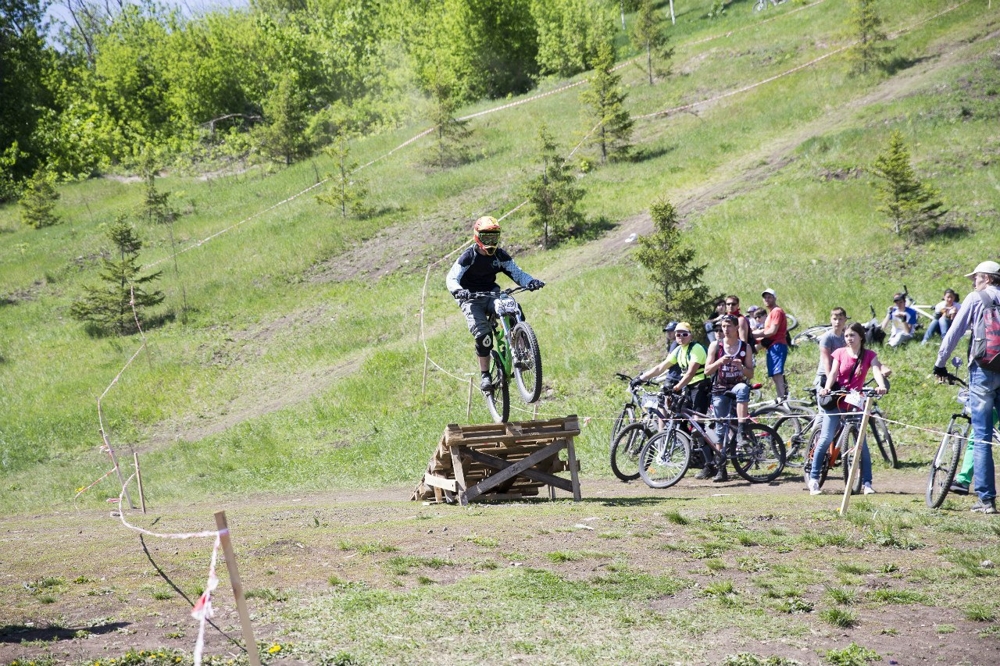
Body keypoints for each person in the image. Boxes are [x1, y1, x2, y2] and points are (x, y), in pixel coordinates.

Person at [446, 216, 544, 391]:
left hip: (492, 293)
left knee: (513, 308)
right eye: (486, 237)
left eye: (494, 237)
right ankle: (485, 375)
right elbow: (451, 278)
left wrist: (531, 281)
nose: (490, 242)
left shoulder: (500, 255)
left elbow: (518, 274)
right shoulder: (469, 257)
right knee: (484, 336)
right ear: (477, 237)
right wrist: (458, 290)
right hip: (470, 299)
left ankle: (523, 350)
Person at [933, 260, 1000, 514]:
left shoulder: (976, 298)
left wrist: (940, 364)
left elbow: (954, 333)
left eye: (976, 277)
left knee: (982, 436)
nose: (973, 281)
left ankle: (986, 499)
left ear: (987, 277)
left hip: (983, 370)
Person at [808, 322, 889, 496]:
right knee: (826, 437)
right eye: (846, 336)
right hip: (837, 400)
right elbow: (833, 374)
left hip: (856, 402)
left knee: (862, 445)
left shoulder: (869, 355)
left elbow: (876, 370)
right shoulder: (839, 353)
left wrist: (881, 385)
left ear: (861, 337)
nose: (849, 339)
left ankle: (867, 483)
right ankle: (814, 479)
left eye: (852, 335)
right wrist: (827, 388)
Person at [634, 322, 715, 478]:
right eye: (678, 334)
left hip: (700, 388)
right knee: (679, 421)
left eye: (684, 334)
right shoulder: (679, 350)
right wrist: (641, 378)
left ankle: (710, 464)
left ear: (691, 335)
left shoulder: (696, 349)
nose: (680, 337)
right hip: (688, 389)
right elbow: (661, 367)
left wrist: (676, 387)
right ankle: (694, 457)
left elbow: (690, 373)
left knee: (698, 427)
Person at [705, 315, 754, 482]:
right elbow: (707, 371)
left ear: (736, 328)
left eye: (728, 326)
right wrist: (719, 362)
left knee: (743, 389)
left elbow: (750, 373)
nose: (725, 330)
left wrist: (741, 367)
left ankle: (741, 429)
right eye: (723, 327)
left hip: (736, 385)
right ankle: (721, 468)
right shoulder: (715, 346)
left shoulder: (745, 347)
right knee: (720, 430)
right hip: (719, 389)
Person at [752, 288, 788, 399]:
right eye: (765, 297)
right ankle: (781, 397)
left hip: (777, 345)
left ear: (774, 298)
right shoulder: (771, 312)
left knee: (777, 374)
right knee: (774, 375)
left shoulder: (776, 311)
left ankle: (782, 398)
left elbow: (772, 331)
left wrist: (754, 335)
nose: (767, 299)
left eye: (769, 297)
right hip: (772, 346)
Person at [816, 307, 848, 387]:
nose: (837, 322)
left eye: (840, 319)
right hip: (825, 374)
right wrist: (830, 382)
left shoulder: (845, 336)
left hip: (839, 374)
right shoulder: (827, 337)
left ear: (845, 320)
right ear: (831, 320)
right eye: (835, 319)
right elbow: (826, 361)